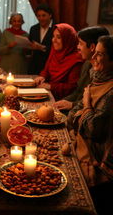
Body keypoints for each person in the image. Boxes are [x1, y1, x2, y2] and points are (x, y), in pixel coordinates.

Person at [67, 36, 113, 214]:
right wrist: (85, 111)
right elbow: (71, 117)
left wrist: (86, 105)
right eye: (95, 52)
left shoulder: (110, 93)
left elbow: (94, 130)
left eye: (100, 54)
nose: (93, 57)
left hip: (99, 161)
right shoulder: (97, 79)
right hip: (85, 145)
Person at [55, 26, 109, 111]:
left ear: (92, 47)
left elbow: (95, 102)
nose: (77, 47)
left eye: (80, 43)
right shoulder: (86, 64)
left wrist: (72, 105)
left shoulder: (104, 72)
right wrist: (62, 102)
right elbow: (78, 92)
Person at [34, 23, 83, 101]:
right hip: (48, 93)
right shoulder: (55, 51)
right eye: (53, 36)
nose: (54, 40)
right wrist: (42, 76)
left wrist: (51, 86)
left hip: (63, 100)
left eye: (59, 37)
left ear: (68, 40)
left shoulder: (76, 59)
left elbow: (73, 87)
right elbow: (46, 69)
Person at [28, 3, 55, 74]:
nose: (41, 18)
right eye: (38, 16)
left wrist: (42, 47)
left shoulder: (56, 28)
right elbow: (30, 44)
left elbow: (59, 49)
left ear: (50, 15)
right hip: (34, 66)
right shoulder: (33, 28)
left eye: (43, 15)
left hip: (50, 65)